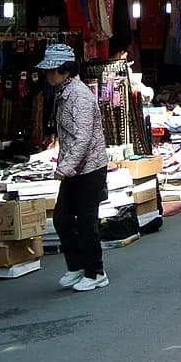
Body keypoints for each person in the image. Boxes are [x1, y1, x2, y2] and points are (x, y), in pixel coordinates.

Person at [43, 41, 109, 293]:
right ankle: (78, 266)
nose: (49, 75)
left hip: (89, 168)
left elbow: (83, 137)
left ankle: (95, 272)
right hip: (75, 167)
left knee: (87, 221)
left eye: (53, 70)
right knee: (62, 218)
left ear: (65, 70)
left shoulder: (79, 96)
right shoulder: (63, 93)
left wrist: (65, 167)